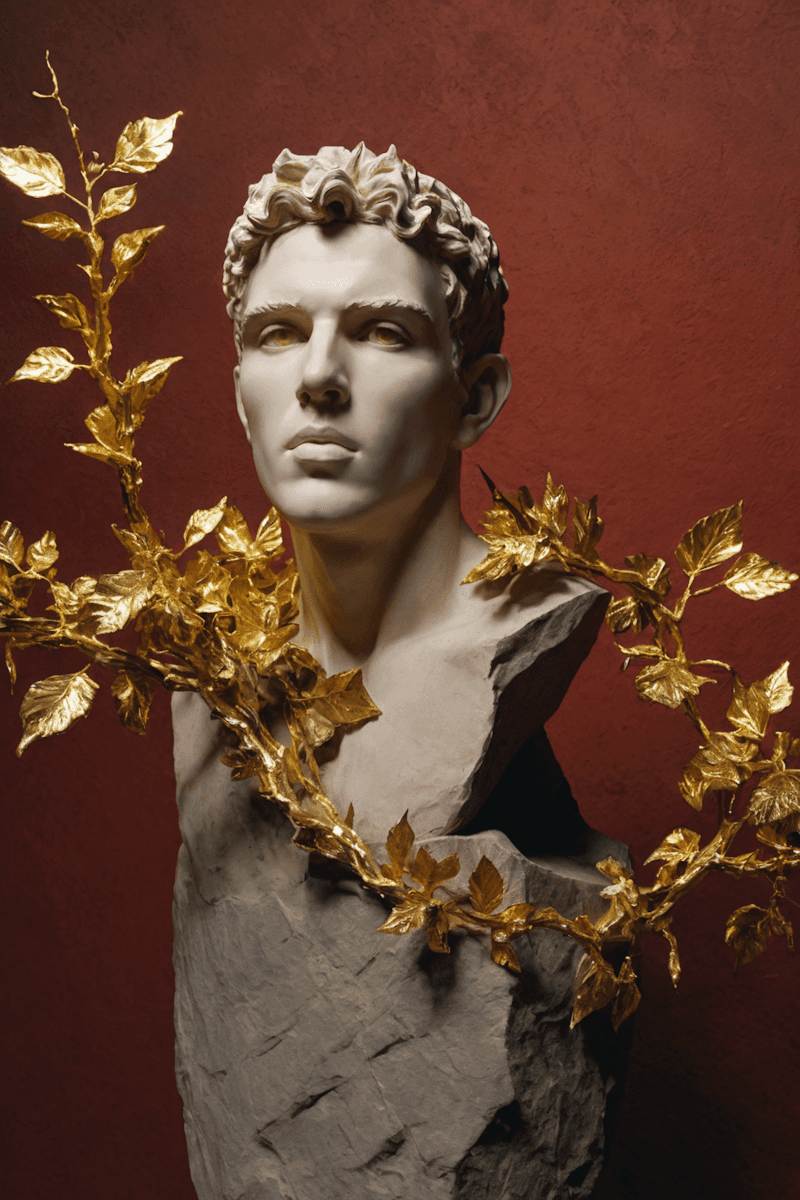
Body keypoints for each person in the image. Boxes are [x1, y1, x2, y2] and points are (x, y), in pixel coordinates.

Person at [170, 144, 622, 1200]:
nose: (318, 379)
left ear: (474, 399)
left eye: (381, 333)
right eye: (276, 335)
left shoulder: (515, 642)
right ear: (240, 392)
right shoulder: (213, 685)